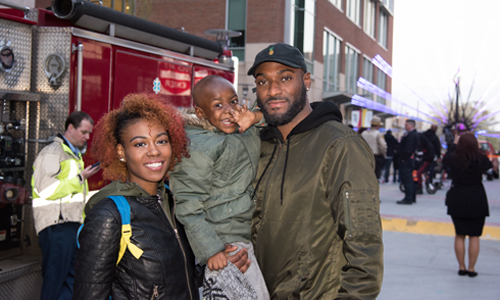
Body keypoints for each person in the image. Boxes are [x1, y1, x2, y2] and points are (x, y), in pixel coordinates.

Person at [247, 43, 383, 299]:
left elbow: (365, 247)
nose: (273, 90)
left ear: (306, 80)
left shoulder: (341, 146)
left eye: (285, 78)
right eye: (263, 82)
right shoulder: (260, 143)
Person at [170, 75, 269, 300]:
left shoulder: (243, 129)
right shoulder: (198, 147)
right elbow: (188, 204)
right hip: (223, 240)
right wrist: (211, 250)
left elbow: (272, 117)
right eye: (218, 105)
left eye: (233, 101)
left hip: (245, 231)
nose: (229, 110)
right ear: (200, 113)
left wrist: (254, 117)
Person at [31, 111, 100, 300]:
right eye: (84, 132)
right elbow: (45, 190)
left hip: (70, 226)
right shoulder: (53, 153)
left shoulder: (72, 154)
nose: (87, 137)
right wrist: (80, 178)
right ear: (70, 128)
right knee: (55, 281)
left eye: (89, 133)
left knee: (70, 280)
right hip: (57, 226)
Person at [443, 133, 492, 277]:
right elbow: (489, 169)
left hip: (458, 197)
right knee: (474, 236)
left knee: (459, 234)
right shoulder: (481, 158)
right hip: (477, 198)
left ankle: (461, 267)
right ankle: (471, 268)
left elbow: (446, 160)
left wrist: (454, 145)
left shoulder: (454, 158)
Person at [397, 119, 419, 204]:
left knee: (407, 179)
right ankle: (411, 196)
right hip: (409, 159)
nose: (405, 127)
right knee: (409, 179)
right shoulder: (413, 135)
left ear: (411, 125)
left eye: (406, 125)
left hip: (406, 160)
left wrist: (403, 157)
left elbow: (408, 149)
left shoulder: (411, 136)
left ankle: (408, 197)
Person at [361, 116, 387, 181]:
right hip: (375, 157)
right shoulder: (378, 134)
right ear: (378, 126)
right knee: (375, 176)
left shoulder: (363, 133)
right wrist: (383, 154)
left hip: (365, 156)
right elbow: (383, 145)